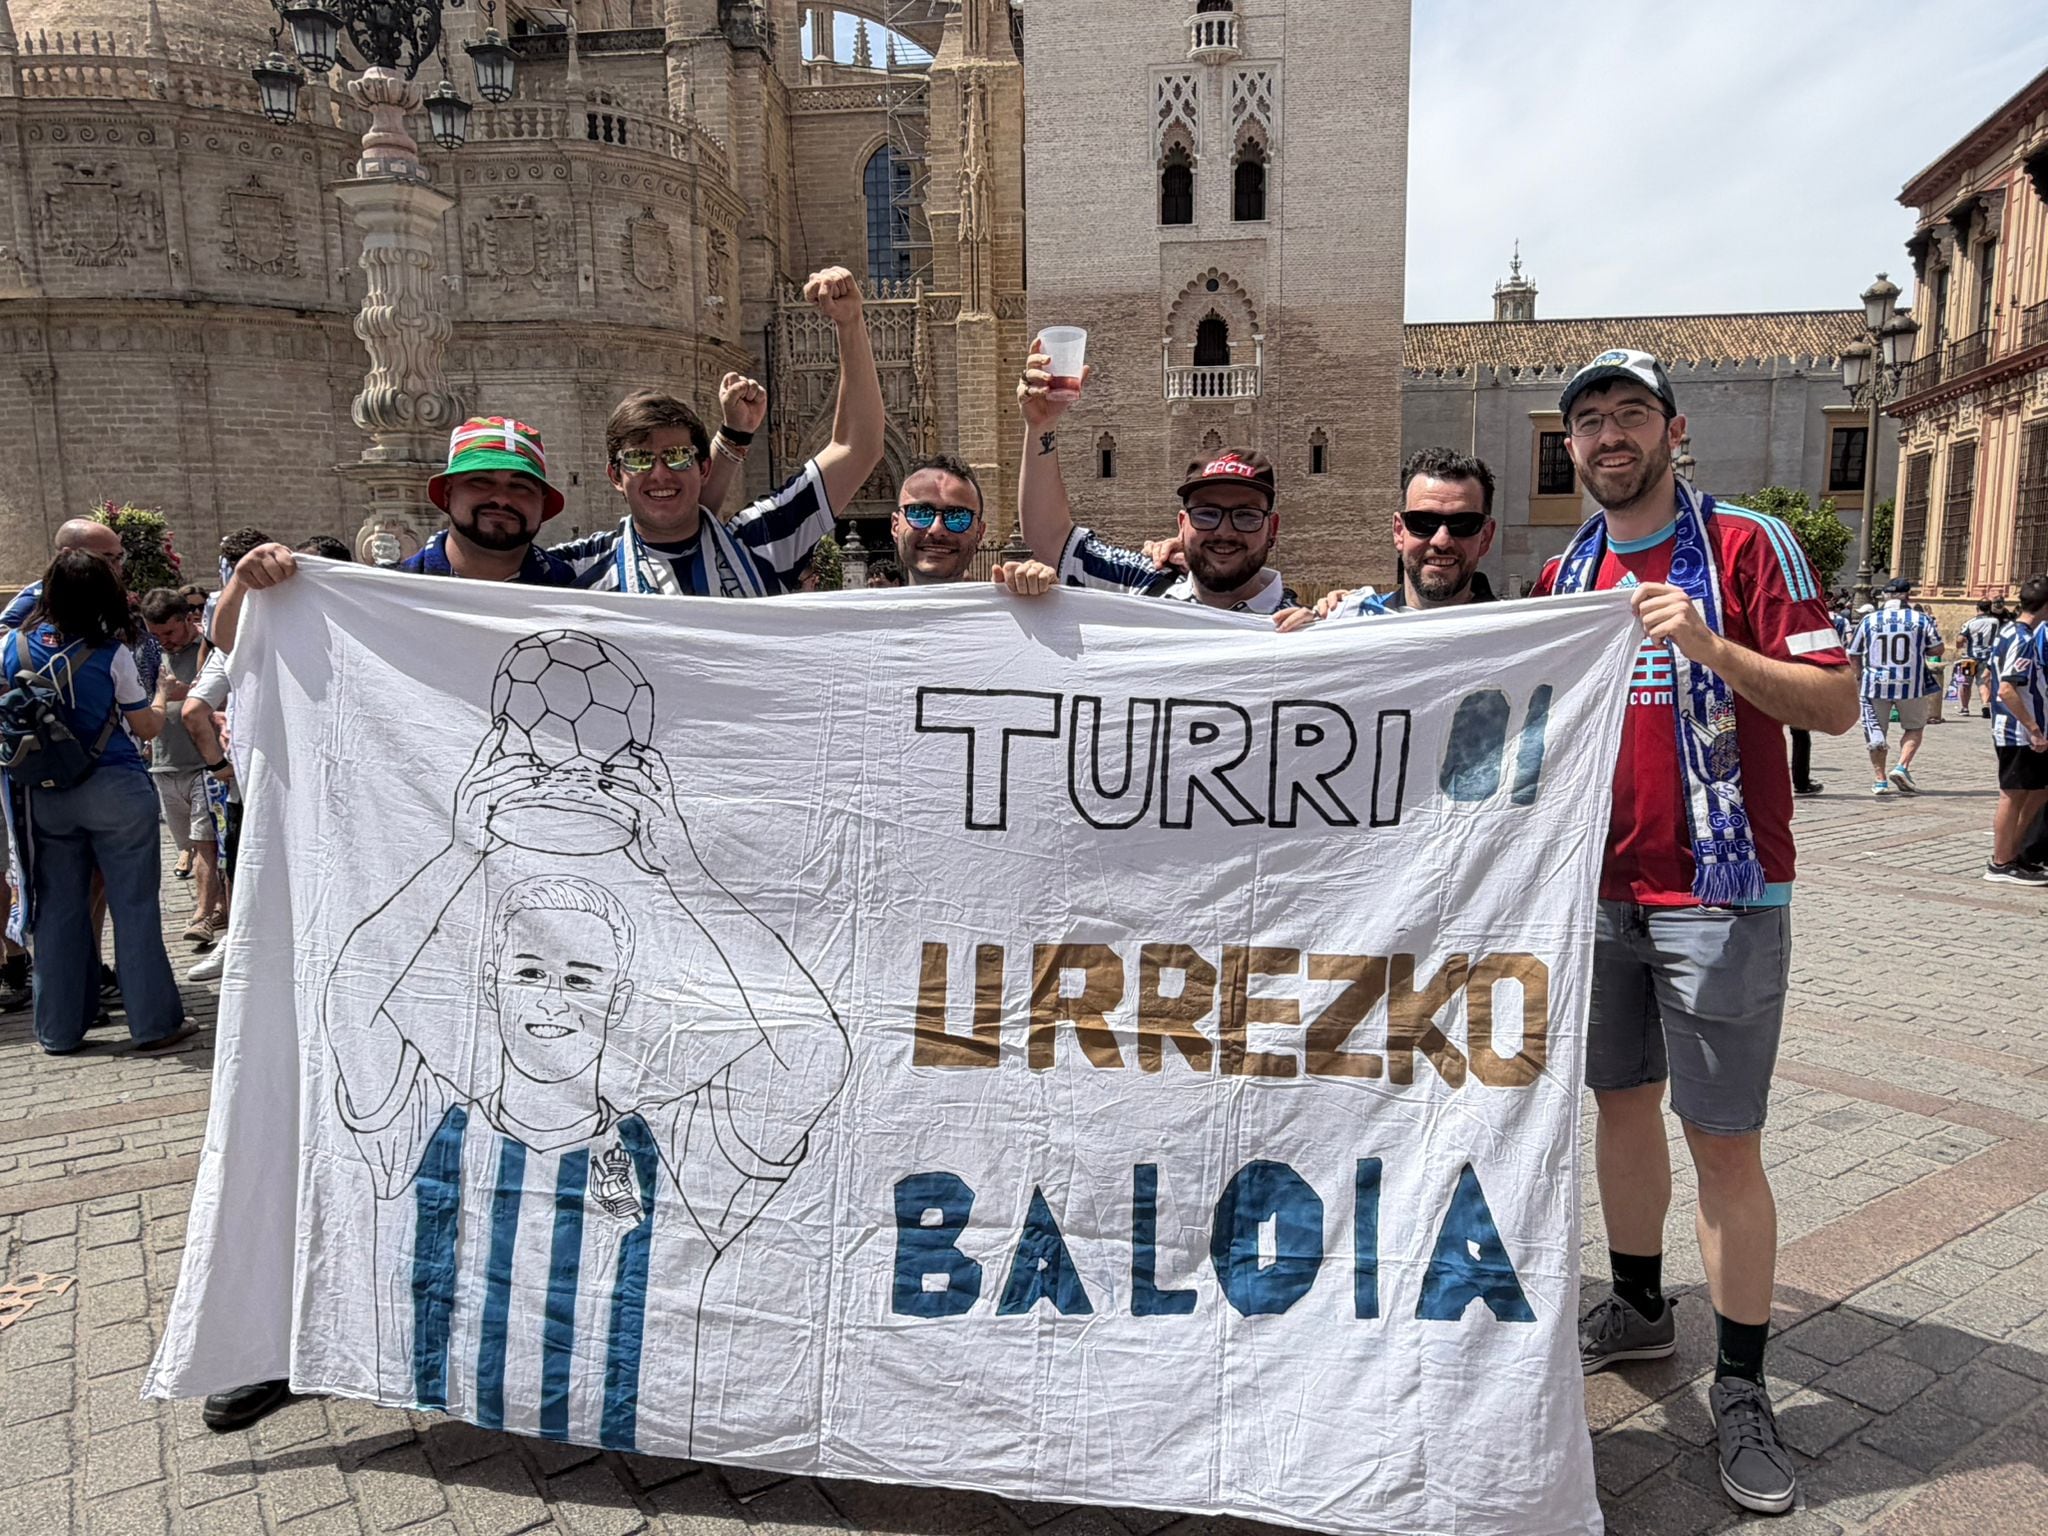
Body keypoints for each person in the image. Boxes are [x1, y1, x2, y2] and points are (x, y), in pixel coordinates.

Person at [1533, 349, 1856, 1517]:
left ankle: (1742, 1387)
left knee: (1722, 1141)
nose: (1607, 435)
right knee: (1616, 1107)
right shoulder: (1562, 572)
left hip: (1718, 892)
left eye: (1628, 414)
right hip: (1595, 893)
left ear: (1673, 431)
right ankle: (1636, 1307)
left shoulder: (1743, 548)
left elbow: (1834, 701)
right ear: (1568, 447)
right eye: (1587, 421)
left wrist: (1710, 646)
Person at [552, 269, 885, 597]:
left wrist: (850, 323)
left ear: (703, 467)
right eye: (639, 459)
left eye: (678, 457)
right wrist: (733, 435)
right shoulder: (578, 571)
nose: (660, 474)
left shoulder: (762, 541)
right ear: (615, 474)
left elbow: (856, 448)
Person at [3, 552, 192, 1054]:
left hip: (43, 792)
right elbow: (146, 726)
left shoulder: (11, 646)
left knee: (58, 910)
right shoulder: (111, 652)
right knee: (133, 907)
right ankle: (153, 1023)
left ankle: (60, 1028)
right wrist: (160, 696)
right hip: (113, 786)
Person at [1015, 340, 1297, 613]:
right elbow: (1051, 542)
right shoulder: (1145, 584)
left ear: (1272, 529)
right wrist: (1042, 425)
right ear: (1182, 525)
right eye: (1207, 514)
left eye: (1246, 516)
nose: (1224, 531)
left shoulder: (1302, 630)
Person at [1279, 448, 1501, 629]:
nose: (1441, 540)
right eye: (1422, 522)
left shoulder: (1517, 638)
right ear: (1398, 531)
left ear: (1486, 536)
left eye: (1463, 524)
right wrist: (1301, 637)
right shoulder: (1348, 623)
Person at [139, 588, 225, 951]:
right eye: (156, 634)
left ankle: (201, 917)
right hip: (163, 764)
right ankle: (221, 906)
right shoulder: (149, 655)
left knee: (206, 843)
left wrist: (183, 691)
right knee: (189, 845)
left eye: (169, 633)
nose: (164, 641)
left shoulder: (208, 650)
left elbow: (221, 695)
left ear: (187, 620)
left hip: (202, 765)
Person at [887, 453, 1058, 595]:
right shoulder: (864, 623)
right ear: (895, 526)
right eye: (920, 513)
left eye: (958, 516)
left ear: (979, 533)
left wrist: (1045, 599)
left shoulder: (1015, 611)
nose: (937, 529)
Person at [1847, 578, 1943, 796]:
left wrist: (1859, 675)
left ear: (1885, 596)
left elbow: (1853, 652)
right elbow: (1937, 649)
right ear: (1907, 595)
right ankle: (1902, 766)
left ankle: (1880, 779)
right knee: (1914, 727)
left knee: (1875, 732)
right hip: (1911, 684)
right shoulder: (1921, 619)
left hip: (1875, 685)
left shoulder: (1869, 620)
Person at [1987, 577, 2048, 885]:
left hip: (2017, 728)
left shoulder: (2008, 630)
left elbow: (1990, 677)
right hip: (2017, 732)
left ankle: (2016, 853)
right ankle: (2000, 862)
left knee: (2036, 792)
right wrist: (2033, 728)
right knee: (2012, 796)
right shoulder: (2022, 637)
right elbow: (2007, 689)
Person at [1962, 599, 2001, 718]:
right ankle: (1985, 704)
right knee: (1983, 682)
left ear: (1977, 608)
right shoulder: (1996, 621)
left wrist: (1961, 644)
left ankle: (1965, 708)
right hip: (1988, 657)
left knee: (1965, 683)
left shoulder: (1970, 623)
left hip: (1970, 658)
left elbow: (1960, 639)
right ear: (1989, 608)